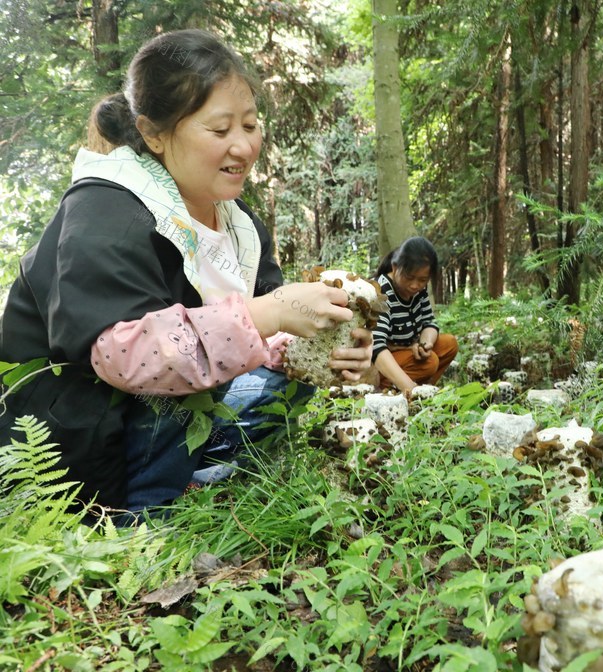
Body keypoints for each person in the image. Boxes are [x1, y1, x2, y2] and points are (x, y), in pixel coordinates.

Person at [0, 29, 372, 520]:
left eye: (251, 125)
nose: (244, 146)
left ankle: (203, 479)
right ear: (154, 134)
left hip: (162, 413)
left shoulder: (239, 226)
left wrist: (323, 346)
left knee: (289, 381)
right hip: (73, 435)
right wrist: (269, 313)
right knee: (173, 388)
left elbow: (266, 328)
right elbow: (128, 358)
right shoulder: (107, 207)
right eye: (220, 131)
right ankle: (143, 517)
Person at [371, 237, 458, 395]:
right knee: (430, 362)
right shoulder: (381, 292)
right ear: (395, 267)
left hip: (407, 351)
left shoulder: (419, 291)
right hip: (379, 363)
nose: (415, 285)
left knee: (449, 344)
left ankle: (425, 390)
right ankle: (397, 390)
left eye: (422, 280)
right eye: (409, 277)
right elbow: (375, 347)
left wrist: (425, 344)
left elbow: (429, 323)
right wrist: (410, 389)